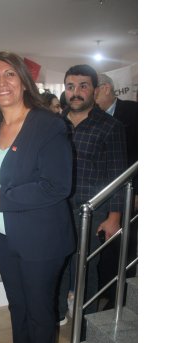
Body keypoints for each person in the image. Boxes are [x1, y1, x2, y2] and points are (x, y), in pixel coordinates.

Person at [0, 52, 74, 343]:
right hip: (4, 236)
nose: (1, 83)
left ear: (23, 81)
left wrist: (3, 198)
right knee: (17, 303)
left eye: (9, 74)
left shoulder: (47, 125)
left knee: (39, 307)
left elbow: (57, 185)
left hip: (41, 239)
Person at [57, 64, 127, 322]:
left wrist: (115, 217)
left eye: (83, 86)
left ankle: (86, 322)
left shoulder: (110, 126)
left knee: (85, 267)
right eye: (70, 86)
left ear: (95, 90)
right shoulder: (54, 124)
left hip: (92, 211)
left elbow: (118, 175)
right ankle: (58, 314)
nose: (76, 92)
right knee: (58, 262)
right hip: (57, 208)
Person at [94, 73, 138, 305]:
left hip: (131, 194)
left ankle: (119, 298)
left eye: (94, 89)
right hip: (100, 195)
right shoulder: (92, 116)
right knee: (103, 246)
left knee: (126, 245)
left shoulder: (133, 112)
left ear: (106, 88)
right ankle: (103, 292)